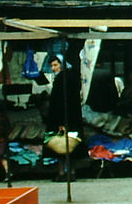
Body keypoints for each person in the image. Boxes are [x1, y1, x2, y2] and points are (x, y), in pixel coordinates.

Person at [46, 53, 83, 182]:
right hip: (72, 118)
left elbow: (61, 103)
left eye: (55, 65)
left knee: (62, 146)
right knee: (70, 146)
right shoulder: (69, 78)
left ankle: (62, 172)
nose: (53, 68)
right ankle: (71, 172)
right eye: (52, 65)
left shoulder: (62, 80)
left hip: (63, 118)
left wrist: (61, 121)